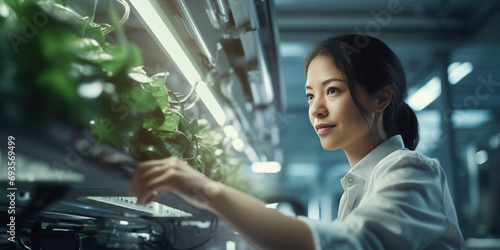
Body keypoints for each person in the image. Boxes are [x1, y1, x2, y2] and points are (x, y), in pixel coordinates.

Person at [128, 34, 465, 249]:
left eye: (333, 90)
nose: (316, 109)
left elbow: (352, 244)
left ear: (381, 99)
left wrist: (209, 191)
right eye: (309, 96)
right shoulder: (358, 186)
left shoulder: (410, 170)